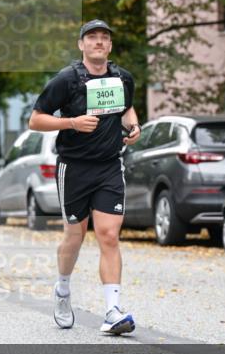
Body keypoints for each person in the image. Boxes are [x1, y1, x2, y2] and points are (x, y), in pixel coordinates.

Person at [28, 19, 142, 335]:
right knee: (74, 237)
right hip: (74, 167)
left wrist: (134, 128)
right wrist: (72, 124)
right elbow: (35, 120)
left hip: (109, 166)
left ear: (110, 45)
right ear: (81, 44)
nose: (98, 42)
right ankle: (63, 290)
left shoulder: (122, 78)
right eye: (92, 37)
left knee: (108, 235)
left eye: (104, 38)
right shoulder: (67, 79)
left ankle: (112, 310)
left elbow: (127, 110)